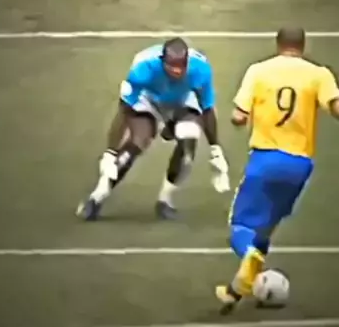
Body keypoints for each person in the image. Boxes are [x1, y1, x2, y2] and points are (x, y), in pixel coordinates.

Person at [215, 27, 339, 314]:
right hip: (299, 166)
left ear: (278, 44)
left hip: (265, 160)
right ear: (303, 46)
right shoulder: (319, 74)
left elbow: (238, 116)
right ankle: (236, 291)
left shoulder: (258, 71)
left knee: (241, 227)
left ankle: (248, 262)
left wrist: (246, 117)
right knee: (266, 228)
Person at [76, 37, 230, 221]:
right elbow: (124, 111)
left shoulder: (201, 70)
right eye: (172, 66)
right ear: (162, 61)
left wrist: (215, 149)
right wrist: (110, 152)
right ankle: (97, 197)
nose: (177, 71)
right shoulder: (143, 70)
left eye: (181, 66)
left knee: (189, 142)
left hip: (182, 101)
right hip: (149, 99)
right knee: (136, 144)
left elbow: (207, 109)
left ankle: (165, 200)